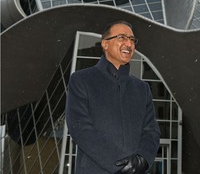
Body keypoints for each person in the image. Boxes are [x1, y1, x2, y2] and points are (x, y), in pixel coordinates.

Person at [66, 21, 160, 174]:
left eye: (132, 39)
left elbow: (151, 131)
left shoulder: (142, 88)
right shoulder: (82, 80)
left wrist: (142, 159)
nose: (128, 44)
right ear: (105, 44)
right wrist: (120, 164)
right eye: (122, 37)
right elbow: (80, 128)